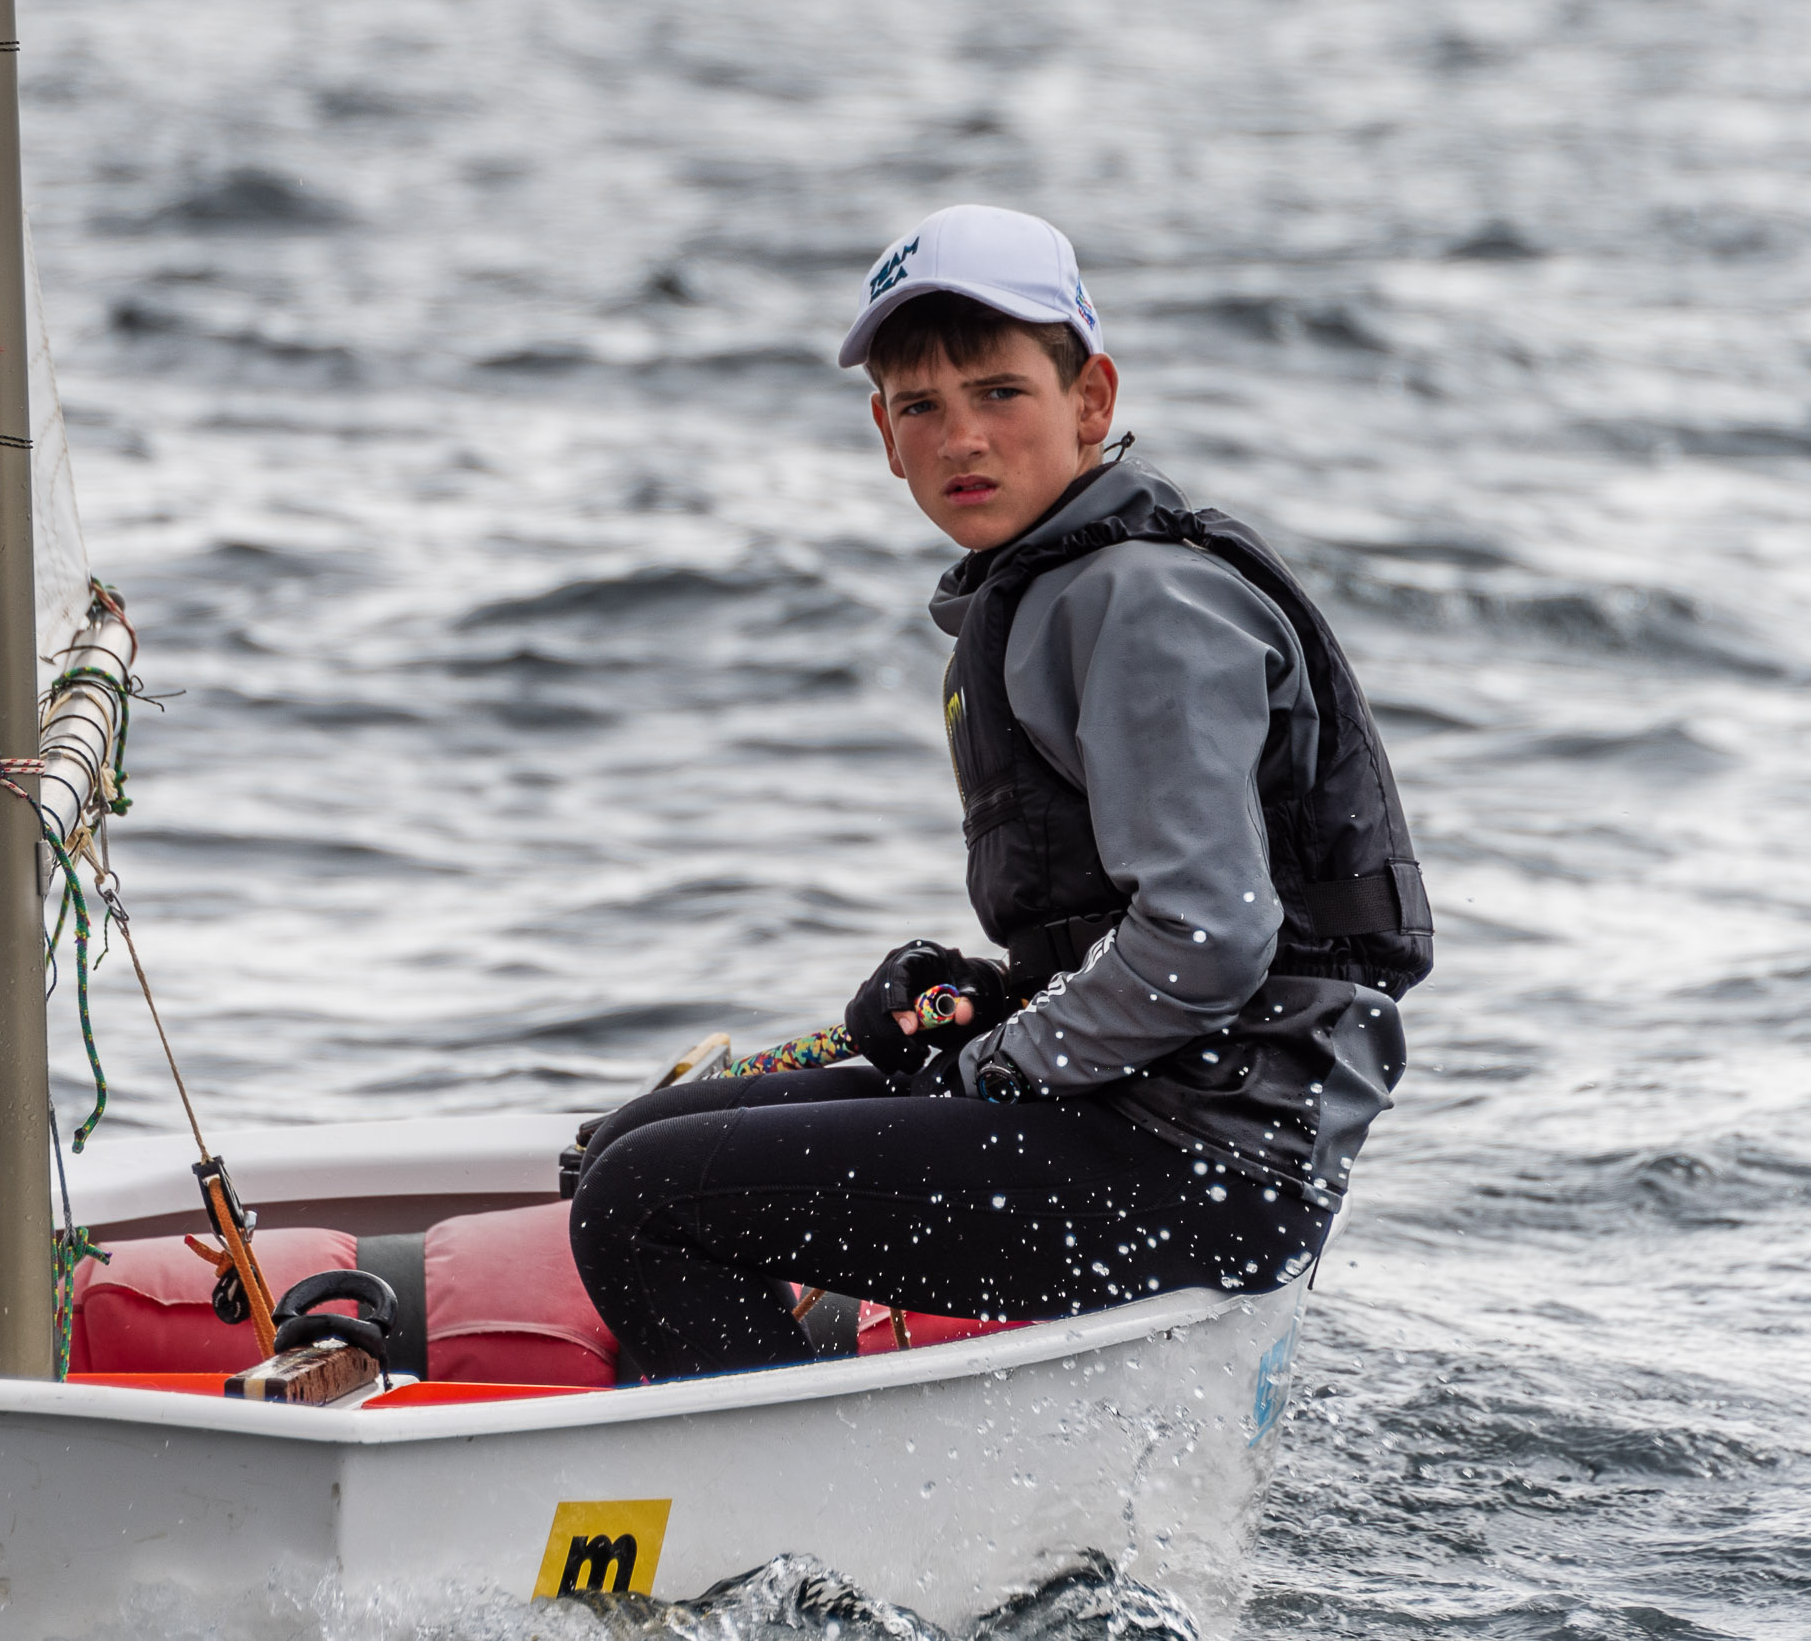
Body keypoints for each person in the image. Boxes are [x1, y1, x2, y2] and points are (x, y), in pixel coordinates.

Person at [567, 204, 1432, 1381]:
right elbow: (1136, 927)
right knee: (633, 1142)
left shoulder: (1143, 604)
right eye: (921, 406)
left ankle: (782, 1485)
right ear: (885, 434)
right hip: (1148, 1111)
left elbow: (1212, 939)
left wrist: (999, 1063)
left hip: (1210, 1165)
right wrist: (986, 997)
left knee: (641, 1201)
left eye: (1000, 392)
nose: (961, 436)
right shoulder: (1055, 590)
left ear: (1091, 400)